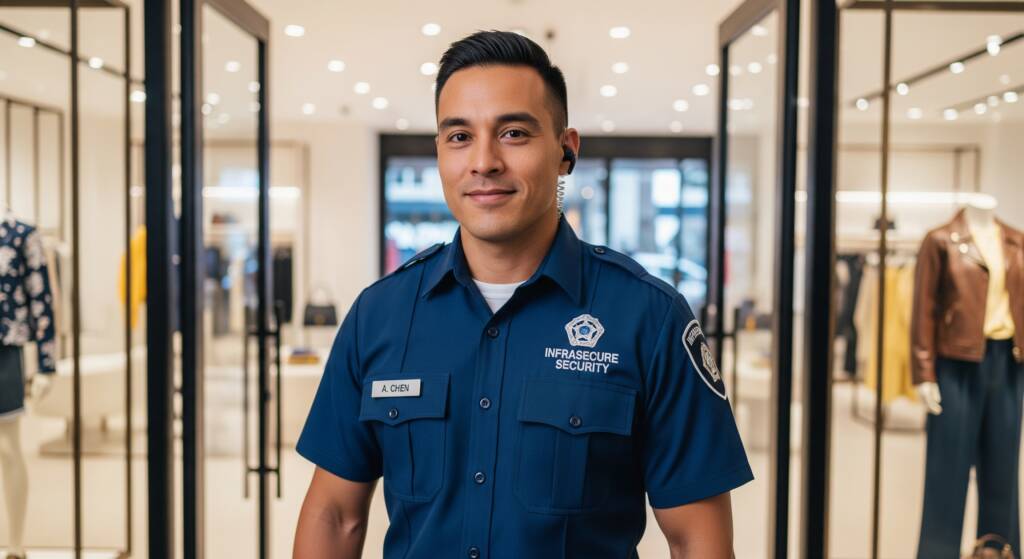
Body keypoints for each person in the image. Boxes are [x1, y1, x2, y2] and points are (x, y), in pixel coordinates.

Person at [292, 30, 752, 559]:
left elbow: (697, 537)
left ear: (566, 151)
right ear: (439, 153)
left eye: (513, 133)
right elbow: (334, 515)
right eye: (459, 136)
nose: (483, 162)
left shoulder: (650, 318)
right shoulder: (379, 316)